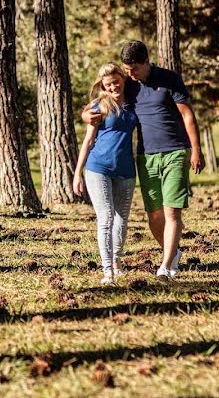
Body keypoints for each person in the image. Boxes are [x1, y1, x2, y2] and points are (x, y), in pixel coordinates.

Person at [82, 41, 204, 280]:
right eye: (126, 70)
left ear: (147, 62)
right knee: (154, 216)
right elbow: (104, 98)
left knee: (172, 213)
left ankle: (167, 267)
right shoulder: (130, 86)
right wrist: (86, 114)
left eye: (134, 69)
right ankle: (173, 252)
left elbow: (187, 114)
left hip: (175, 152)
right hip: (146, 157)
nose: (129, 75)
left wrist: (196, 150)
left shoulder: (170, 79)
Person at [73, 63, 138, 285]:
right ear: (103, 85)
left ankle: (117, 263)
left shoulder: (133, 102)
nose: (113, 87)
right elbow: (88, 140)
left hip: (127, 170)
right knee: (106, 218)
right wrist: (77, 173)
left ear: (123, 78)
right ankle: (107, 270)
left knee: (122, 219)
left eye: (116, 82)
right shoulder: (99, 105)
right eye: (108, 84)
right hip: (98, 168)